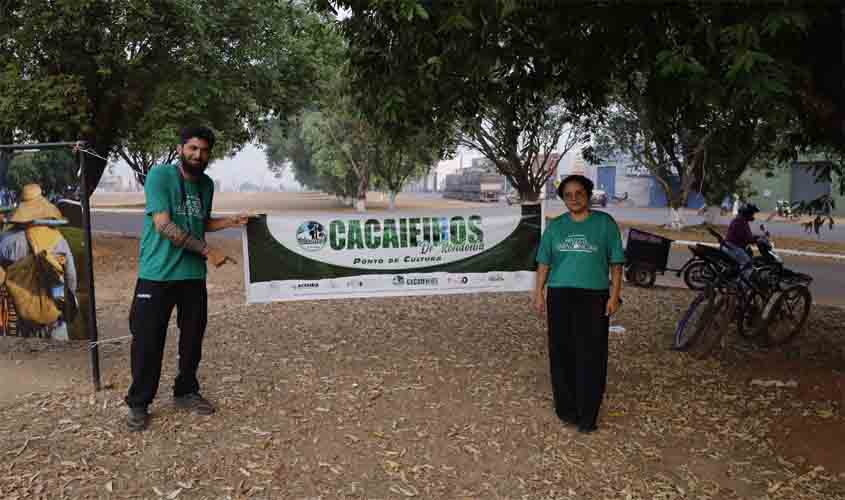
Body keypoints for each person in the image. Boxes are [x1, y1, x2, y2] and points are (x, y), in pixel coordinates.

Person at [125, 126, 249, 432]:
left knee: (192, 339)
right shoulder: (160, 176)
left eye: (204, 150)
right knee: (147, 341)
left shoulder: (206, 184)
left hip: (192, 276)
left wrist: (232, 221)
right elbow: (164, 226)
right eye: (192, 148)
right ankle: (139, 403)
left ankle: (186, 392)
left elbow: (199, 221)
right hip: (157, 274)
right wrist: (209, 251)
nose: (198, 155)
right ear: (181, 148)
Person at [533, 174, 625, 434]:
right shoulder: (556, 227)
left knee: (591, 355)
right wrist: (539, 293)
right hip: (560, 295)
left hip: (593, 296)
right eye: (568, 195)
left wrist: (614, 296)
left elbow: (616, 264)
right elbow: (544, 263)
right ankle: (567, 410)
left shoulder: (605, 224)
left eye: (579, 194)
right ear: (562, 199)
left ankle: (588, 416)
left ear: (588, 195)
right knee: (561, 353)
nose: (573, 199)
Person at [0, 184, 77, 340]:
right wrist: (68, 300)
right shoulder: (58, 240)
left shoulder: (6, 241)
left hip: (22, 318)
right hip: (55, 317)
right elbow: (70, 276)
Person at [723, 203, 761, 269]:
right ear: (746, 213)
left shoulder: (742, 221)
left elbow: (746, 235)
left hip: (735, 246)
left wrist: (756, 237)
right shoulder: (740, 221)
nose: (752, 215)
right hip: (733, 247)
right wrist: (754, 240)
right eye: (751, 213)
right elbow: (744, 237)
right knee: (748, 263)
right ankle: (741, 278)